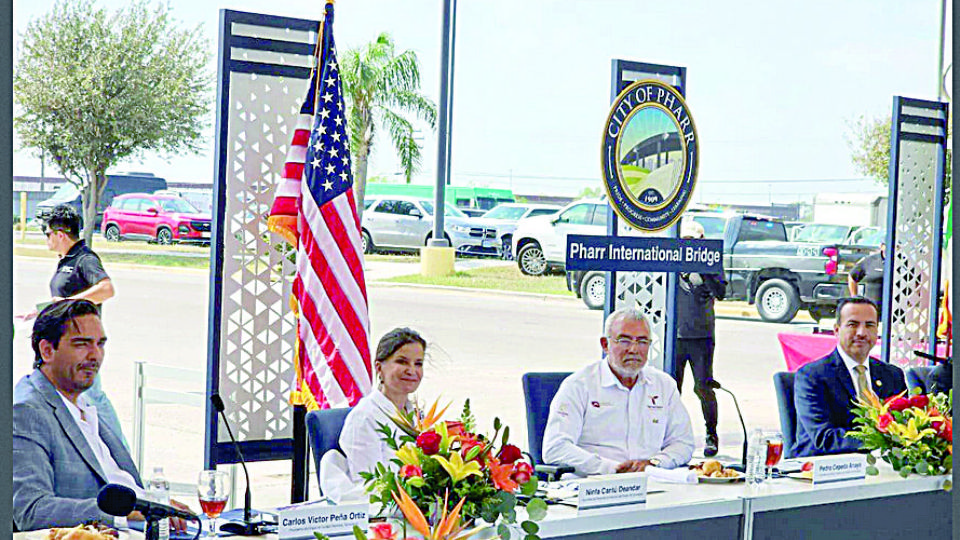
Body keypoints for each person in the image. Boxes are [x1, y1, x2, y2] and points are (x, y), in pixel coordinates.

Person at [13, 300, 189, 531]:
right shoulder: (27, 411)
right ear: (47, 350)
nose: (95, 355)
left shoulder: (84, 403)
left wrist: (153, 505)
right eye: (81, 344)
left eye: (100, 344)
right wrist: (127, 512)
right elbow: (31, 510)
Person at [542, 308, 694, 476]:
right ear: (605, 344)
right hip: (594, 483)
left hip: (651, 481)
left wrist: (654, 463)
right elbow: (555, 448)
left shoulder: (664, 385)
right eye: (624, 341)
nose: (634, 349)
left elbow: (683, 442)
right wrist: (611, 468)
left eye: (642, 341)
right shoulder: (579, 385)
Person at [37, 204, 126, 447]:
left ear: (60, 235)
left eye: (47, 234)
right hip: (64, 343)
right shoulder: (66, 260)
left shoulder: (84, 259)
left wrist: (67, 302)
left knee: (93, 396)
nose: (46, 240)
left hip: (83, 342)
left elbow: (107, 289)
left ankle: (122, 453)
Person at [320, 328, 426, 502]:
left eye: (418, 363)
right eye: (402, 361)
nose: (411, 370)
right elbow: (370, 486)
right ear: (379, 368)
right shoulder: (364, 418)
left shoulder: (416, 414)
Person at [793, 297, 906, 457]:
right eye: (853, 324)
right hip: (821, 468)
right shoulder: (811, 376)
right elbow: (824, 438)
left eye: (869, 325)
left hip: (881, 467)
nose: (861, 332)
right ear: (837, 330)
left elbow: (903, 424)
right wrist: (879, 442)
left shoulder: (892, 375)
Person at [672, 220, 726, 457]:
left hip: (701, 335)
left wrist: (704, 270)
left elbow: (723, 292)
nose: (690, 246)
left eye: (695, 242)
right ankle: (669, 436)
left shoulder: (711, 263)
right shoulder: (670, 261)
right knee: (672, 388)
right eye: (686, 241)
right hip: (674, 335)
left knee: (703, 386)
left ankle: (711, 434)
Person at [848, 242, 885, 309]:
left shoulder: (901, 262)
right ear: (882, 246)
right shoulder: (870, 260)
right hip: (872, 308)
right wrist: (854, 298)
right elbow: (852, 277)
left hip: (896, 311)